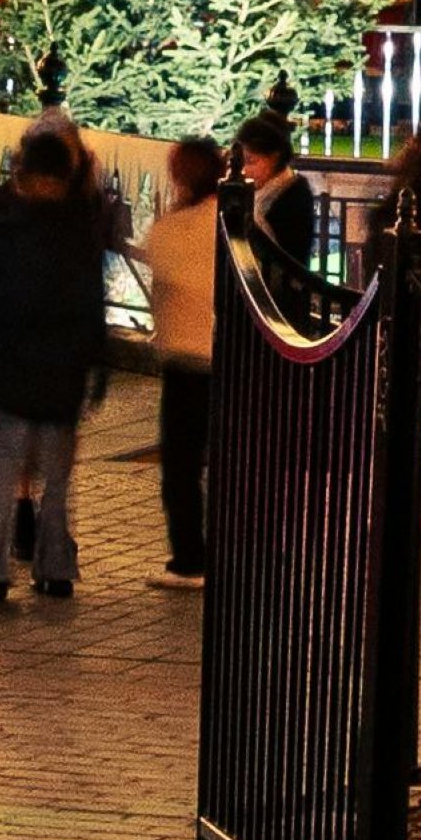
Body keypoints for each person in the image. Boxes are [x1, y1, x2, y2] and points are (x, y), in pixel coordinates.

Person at [0, 118, 117, 605]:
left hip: (19, 368)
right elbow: (91, 301)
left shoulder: (12, 220)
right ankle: (56, 568)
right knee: (59, 479)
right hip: (63, 369)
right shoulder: (80, 222)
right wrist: (95, 364)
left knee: (5, 475)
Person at [143, 138, 225, 580]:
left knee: (181, 465)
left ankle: (190, 558)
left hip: (187, 356)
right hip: (223, 354)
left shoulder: (180, 228)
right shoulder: (228, 220)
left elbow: (158, 255)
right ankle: (224, 551)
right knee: (221, 462)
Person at [222, 102, 326, 318]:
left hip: (280, 303)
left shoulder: (292, 193)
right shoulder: (263, 191)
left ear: (275, 157)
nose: (244, 169)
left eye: (252, 161)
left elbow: (289, 256)